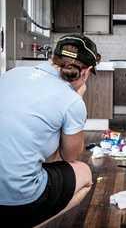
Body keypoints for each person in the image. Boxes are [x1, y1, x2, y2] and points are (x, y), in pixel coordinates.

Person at [0, 34, 101, 227]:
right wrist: (78, 99)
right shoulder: (72, 101)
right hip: (17, 200)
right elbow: (70, 156)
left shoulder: (12, 73)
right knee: (85, 174)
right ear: (86, 72)